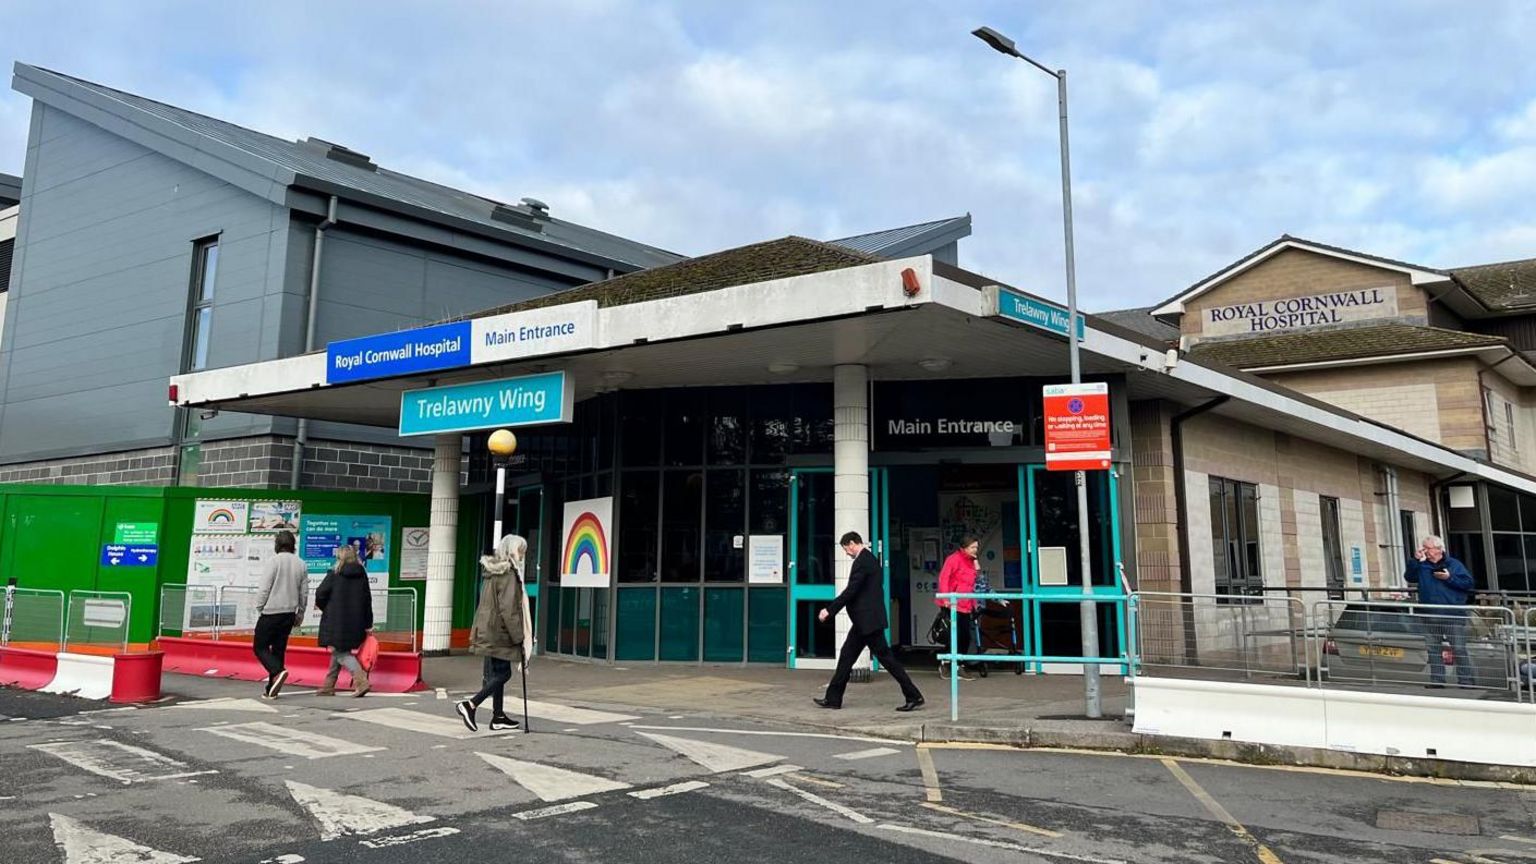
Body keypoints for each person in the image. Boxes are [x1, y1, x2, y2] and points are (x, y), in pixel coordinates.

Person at [813, 531, 925, 712]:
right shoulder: (868, 560)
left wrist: (829, 610)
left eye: (845, 549)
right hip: (864, 622)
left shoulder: (863, 562)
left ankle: (914, 695)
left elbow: (851, 591)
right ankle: (833, 699)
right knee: (846, 658)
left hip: (868, 622)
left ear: (851, 543)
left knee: (887, 660)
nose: (846, 553)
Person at [456, 534, 532, 732]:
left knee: (498, 672)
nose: (523, 555)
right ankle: (470, 704)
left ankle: (498, 716)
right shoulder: (508, 575)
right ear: (514, 551)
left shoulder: (493, 572)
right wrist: (520, 637)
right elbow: (509, 610)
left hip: (488, 629)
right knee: (504, 673)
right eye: (521, 551)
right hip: (499, 633)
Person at [1404, 535, 1475, 687]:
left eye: (1427, 548)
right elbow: (1409, 576)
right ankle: (1437, 680)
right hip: (1429, 614)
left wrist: (1449, 578)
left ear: (1438, 549)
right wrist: (1415, 561)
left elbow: (1468, 583)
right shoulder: (1422, 566)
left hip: (1452, 614)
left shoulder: (1454, 564)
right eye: (1423, 548)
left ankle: (1466, 681)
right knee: (1433, 649)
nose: (1425, 551)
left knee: (1459, 648)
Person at [251, 530, 308, 699]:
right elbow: (304, 592)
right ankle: (271, 688)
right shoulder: (301, 564)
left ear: (277, 544)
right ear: (293, 545)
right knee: (278, 649)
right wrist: (301, 613)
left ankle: (278, 671)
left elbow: (264, 588)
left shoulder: (273, 562)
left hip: (271, 611)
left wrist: (259, 606)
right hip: (289, 613)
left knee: (259, 646)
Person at [314, 544, 373, 697]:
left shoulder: (334, 574)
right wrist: (368, 624)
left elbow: (320, 593)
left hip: (336, 621)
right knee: (340, 650)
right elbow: (367, 600)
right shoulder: (362, 575)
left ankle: (361, 681)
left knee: (339, 652)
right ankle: (329, 684)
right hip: (356, 622)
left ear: (339, 558)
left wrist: (325, 607)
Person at [936, 536, 981, 682]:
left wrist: (974, 603)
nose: (976, 550)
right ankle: (948, 664)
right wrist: (945, 599)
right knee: (955, 636)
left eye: (976, 547)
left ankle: (956, 664)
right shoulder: (953, 559)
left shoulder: (971, 562)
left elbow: (973, 584)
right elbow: (944, 578)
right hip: (953, 604)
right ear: (964, 548)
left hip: (966, 604)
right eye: (973, 547)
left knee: (965, 637)